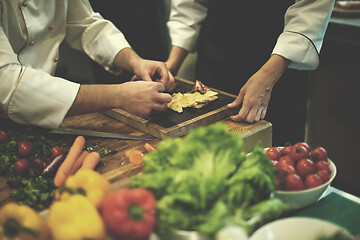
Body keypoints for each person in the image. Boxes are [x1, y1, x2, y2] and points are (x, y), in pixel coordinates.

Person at [166, 0, 335, 146]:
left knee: (273, 163)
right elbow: (190, 5)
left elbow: (310, 10)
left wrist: (270, 74)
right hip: (217, 51)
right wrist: (172, 64)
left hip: (280, 60)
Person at [0, 0, 174, 129]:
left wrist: (135, 62)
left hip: (44, 113)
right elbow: (8, 82)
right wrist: (119, 95)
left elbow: (87, 24)